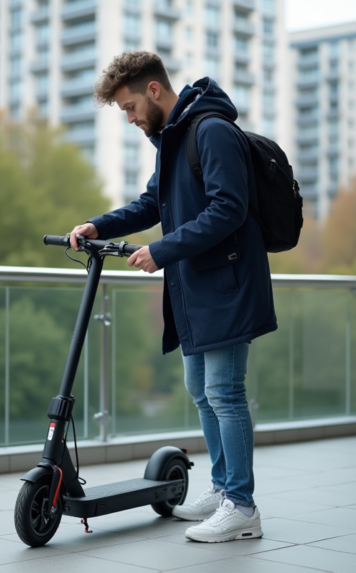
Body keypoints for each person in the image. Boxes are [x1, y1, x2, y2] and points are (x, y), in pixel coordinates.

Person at [68, 51, 277, 543]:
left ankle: (242, 507)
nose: (130, 118)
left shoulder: (211, 131)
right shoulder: (173, 139)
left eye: (130, 107)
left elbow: (230, 208)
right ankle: (224, 488)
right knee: (203, 393)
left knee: (225, 394)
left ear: (154, 91)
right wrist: (100, 224)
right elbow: (152, 203)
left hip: (226, 286)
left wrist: (161, 250)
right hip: (194, 287)